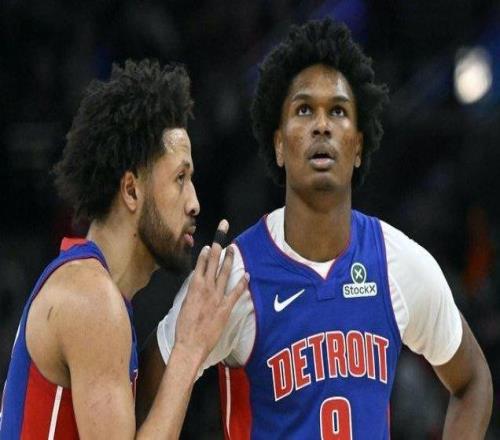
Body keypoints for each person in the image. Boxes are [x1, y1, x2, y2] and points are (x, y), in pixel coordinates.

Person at [140, 19, 493, 439]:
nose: (322, 125)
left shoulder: (397, 263)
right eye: (304, 110)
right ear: (278, 144)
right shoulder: (233, 276)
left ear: (358, 146)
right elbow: (146, 398)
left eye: (338, 111)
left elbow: (473, 381)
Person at [0, 59, 248, 439]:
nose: (195, 202)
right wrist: (188, 347)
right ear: (131, 190)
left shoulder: (95, 288)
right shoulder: (93, 301)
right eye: (180, 178)